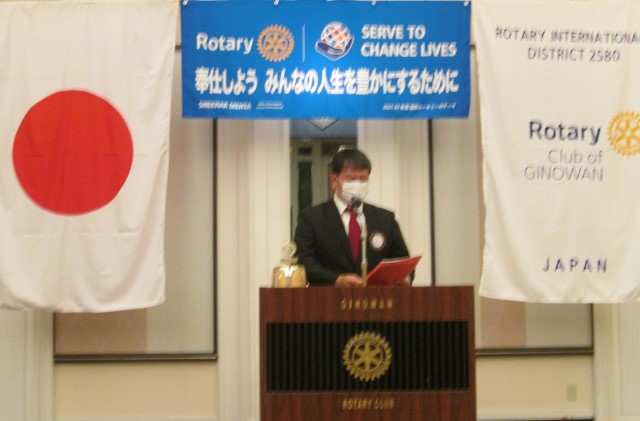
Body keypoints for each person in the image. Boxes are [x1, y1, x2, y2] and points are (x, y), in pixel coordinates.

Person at [294, 148, 412, 287]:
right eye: (351, 179)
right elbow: (303, 261)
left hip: (377, 297)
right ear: (334, 180)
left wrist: (405, 278)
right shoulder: (312, 218)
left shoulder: (385, 219)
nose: (358, 184)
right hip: (328, 297)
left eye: (363, 179)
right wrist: (336, 279)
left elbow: (402, 261)